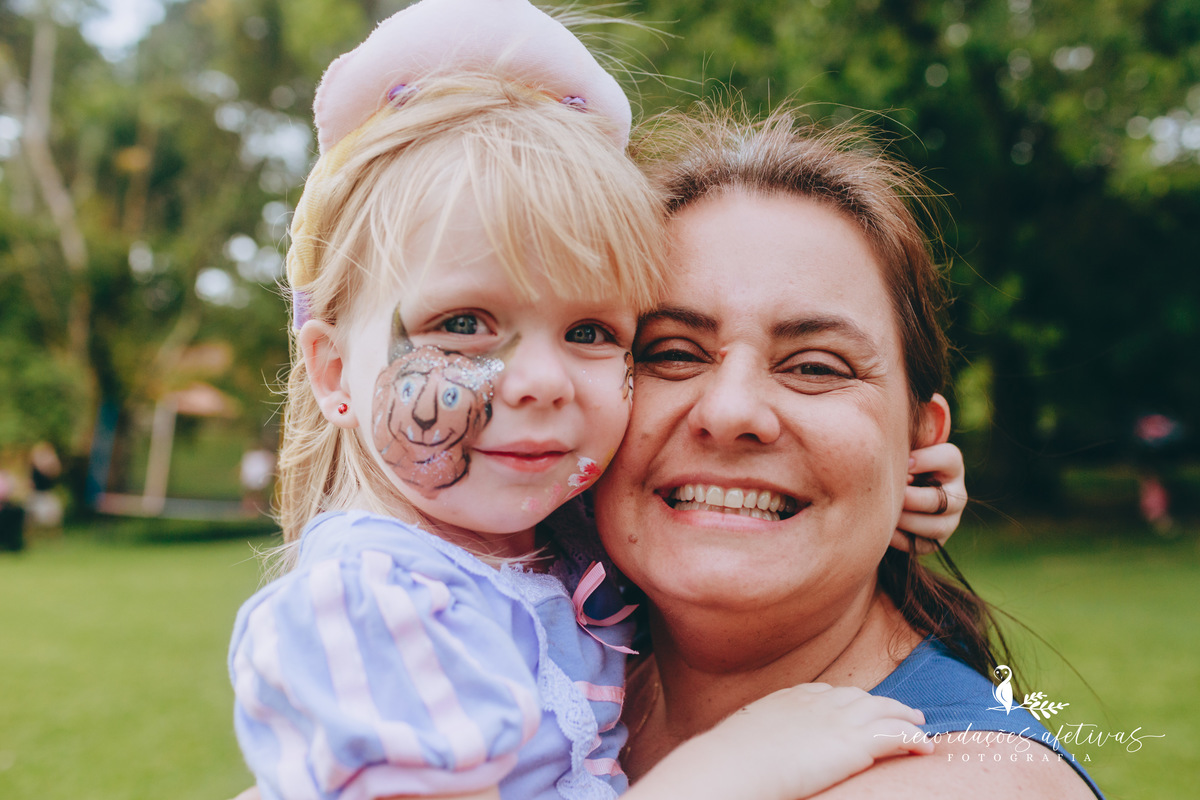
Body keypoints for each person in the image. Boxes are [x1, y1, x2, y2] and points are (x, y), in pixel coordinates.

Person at [229, 3, 962, 800]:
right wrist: (725, 773)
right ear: (333, 374)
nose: (542, 380)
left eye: (589, 330)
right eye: (465, 324)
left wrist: (887, 485)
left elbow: (701, 516)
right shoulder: (372, 608)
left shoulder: (540, 544)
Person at [594, 108, 1104, 798]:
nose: (730, 410)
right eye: (671, 353)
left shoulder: (962, 784)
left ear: (920, 441)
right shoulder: (552, 676)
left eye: (815, 366)